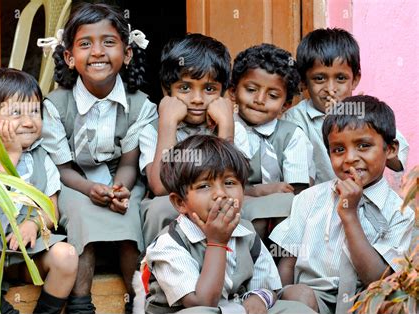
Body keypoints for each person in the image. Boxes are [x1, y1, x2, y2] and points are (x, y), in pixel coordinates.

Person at [40, 3, 157, 313]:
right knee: (81, 215)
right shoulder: (55, 105)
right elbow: (62, 167)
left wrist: (120, 189)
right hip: (73, 182)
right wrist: (90, 190)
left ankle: (139, 302)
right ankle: (80, 305)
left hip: (121, 180)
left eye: (109, 41)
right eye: (85, 44)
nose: (97, 52)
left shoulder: (140, 105)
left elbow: (130, 163)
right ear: (69, 56)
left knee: (130, 215)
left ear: (127, 53)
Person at [270, 95, 415, 314]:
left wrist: (349, 216)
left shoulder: (400, 212)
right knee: (296, 295)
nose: (349, 158)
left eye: (363, 146)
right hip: (314, 297)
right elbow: (288, 261)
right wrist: (280, 297)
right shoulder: (309, 199)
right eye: (338, 149)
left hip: (365, 299)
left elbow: (379, 280)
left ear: (391, 149)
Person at [144, 135, 316, 314]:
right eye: (204, 186)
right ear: (180, 202)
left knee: (296, 309)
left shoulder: (246, 232)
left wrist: (258, 298)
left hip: (234, 309)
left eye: (229, 183)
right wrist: (217, 242)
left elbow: (268, 286)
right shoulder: (169, 244)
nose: (221, 194)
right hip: (196, 310)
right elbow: (202, 303)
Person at [0, 67, 78, 314]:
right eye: (16, 113)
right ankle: (1, 311)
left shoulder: (43, 158)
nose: (28, 121)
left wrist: (34, 224)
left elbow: (50, 207)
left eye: (35, 111)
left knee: (66, 256)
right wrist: (10, 155)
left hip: (26, 255)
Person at [139, 33, 250, 247]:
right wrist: (168, 124)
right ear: (166, 90)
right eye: (184, 88)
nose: (197, 99)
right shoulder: (153, 130)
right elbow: (161, 188)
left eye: (209, 89)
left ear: (224, 92)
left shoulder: (233, 126)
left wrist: (226, 126)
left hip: (218, 202)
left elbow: (231, 181)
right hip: (175, 206)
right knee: (158, 208)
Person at [283, 28, 408, 184]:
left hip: (368, 198)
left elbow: (397, 163)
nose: (330, 88)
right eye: (319, 78)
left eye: (340, 78)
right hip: (322, 201)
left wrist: (352, 120)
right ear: (303, 82)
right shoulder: (295, 119)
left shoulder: (363, 111)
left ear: (355, 79)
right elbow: (298, 179)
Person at [229, 43, 314, 240]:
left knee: (287, 204)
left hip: (274, 219)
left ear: (286, 104)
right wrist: (257, 191)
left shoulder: (292, 135)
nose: (260, 99)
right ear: (233, 92)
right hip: (231, 204)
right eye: (251, 89)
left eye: (273, 95)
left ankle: (277, 267)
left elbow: (296, 194)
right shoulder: (224, 128)